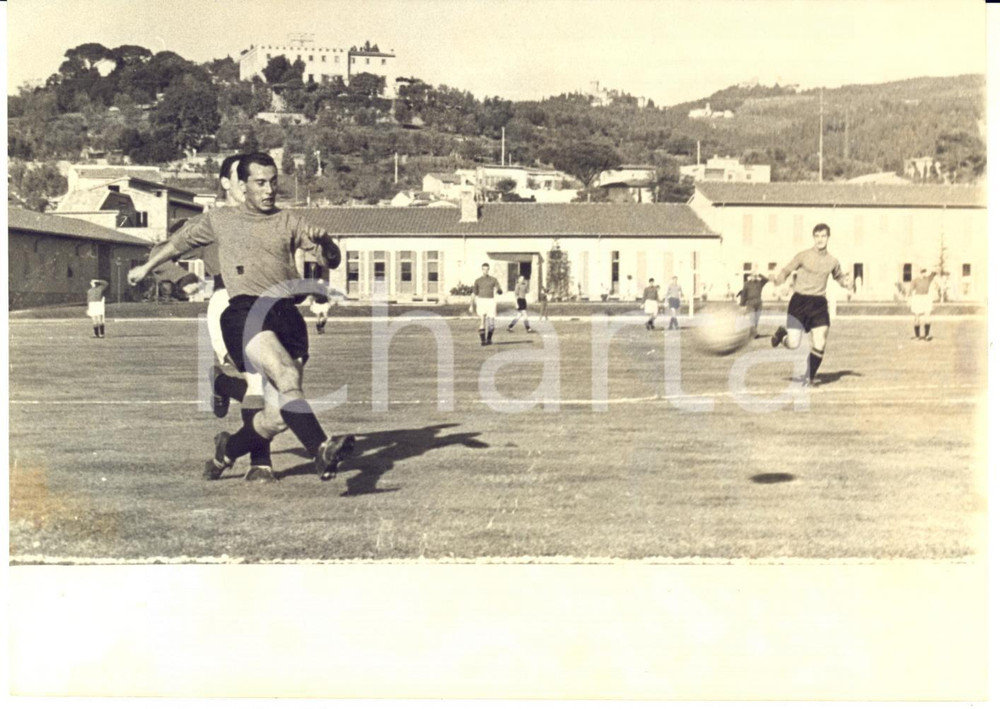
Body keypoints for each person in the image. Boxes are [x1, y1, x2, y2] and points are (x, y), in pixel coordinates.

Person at [128, 152, 351, 483]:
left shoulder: (289, 221)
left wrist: (328, 243)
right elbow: (176, 243)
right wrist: (147, 267)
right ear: (243, 185)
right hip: (246, 311)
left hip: (286, 315)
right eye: (260, 183)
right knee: (284, 376)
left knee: (277, 417)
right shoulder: (220, 220)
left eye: (273, 182)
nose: (269, 190)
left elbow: (331, 260)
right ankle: (320, 449)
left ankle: (227, 450)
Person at [769, 223, 853, 387]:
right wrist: (779, 280)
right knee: (793, 344)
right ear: (813, 237)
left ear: (828, 237)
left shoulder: (833, 261)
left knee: (820, 341)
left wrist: (847, 283)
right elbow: (787, 270)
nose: (820, 239)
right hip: (799, 302)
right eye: (817, 236)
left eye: (823, 236)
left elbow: (839, 277)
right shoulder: (803, 255)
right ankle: (782, 334)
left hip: (819, 303)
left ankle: (809, 377)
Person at [470, 263, 503, 345]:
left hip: (490, 301)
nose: (485, 271)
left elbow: (499, 288)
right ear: (482, 270)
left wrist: (499, 291)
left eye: (487, 269)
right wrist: (471, 305)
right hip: (481, 301)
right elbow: (474, 293)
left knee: (491, 324)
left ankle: (488, 339)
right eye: (484, 269)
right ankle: (483, 341)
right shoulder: (478, 280)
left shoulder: (493, 279)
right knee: (482, 321)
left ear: (489, 270)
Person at [737, 265, 769, 338]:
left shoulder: (760, 283)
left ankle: (752, 333)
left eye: (755, 276)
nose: (754, 277)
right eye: (753, 276)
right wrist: (742, 304)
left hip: (759, 302)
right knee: (752, 318)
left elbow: (766, 279)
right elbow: (744, 294)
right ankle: (755, 334)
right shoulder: (746, 284)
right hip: (750, 303)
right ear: (750, 276)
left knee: (756, 319)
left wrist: (759, 274)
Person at [908, 267, 937, 341]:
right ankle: (917, 336)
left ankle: (927, 335)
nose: (923, 273)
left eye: (924, 272)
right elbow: (910, 290)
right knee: (917, 317)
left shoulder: (928, 279)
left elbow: (934, 272)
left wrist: (932, 269)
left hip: (926, 298)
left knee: (927, 316)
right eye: (921, 272)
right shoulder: (915, 280)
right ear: (918, 272)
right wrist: (909, 300)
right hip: (917, 298)